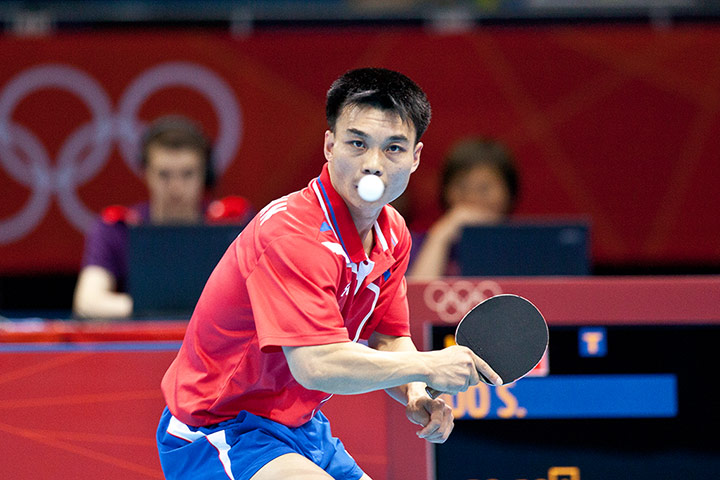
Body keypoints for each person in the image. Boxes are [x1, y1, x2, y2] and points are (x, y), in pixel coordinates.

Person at [155, 68, 502, 480]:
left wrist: (414, 390)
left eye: (393, 148)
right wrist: (427, 367)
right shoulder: (292, 236)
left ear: (415, 158)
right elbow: (316, 364)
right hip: (218, 427)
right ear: (330, 145)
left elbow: (389, 337)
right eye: (357, 143)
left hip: (301, 429)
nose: (372, 164)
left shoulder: (393, 234)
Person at [72, 115, 252, 319]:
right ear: (146, 173)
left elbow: (266, 295)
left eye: (187, 174)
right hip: (141, 346)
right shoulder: (117, 226)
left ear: (205, 173)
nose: (176, 188)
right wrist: (161, 308)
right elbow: (87, 302)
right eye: (164, 175)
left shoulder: (235, 223)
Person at [408, 137, 519, 278]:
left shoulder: (525, 244)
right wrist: (440, 237)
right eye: (462, 188)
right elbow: (418, 297)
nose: (472, 198)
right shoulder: (416, 243)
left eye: (484, 189)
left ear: (509, 191)